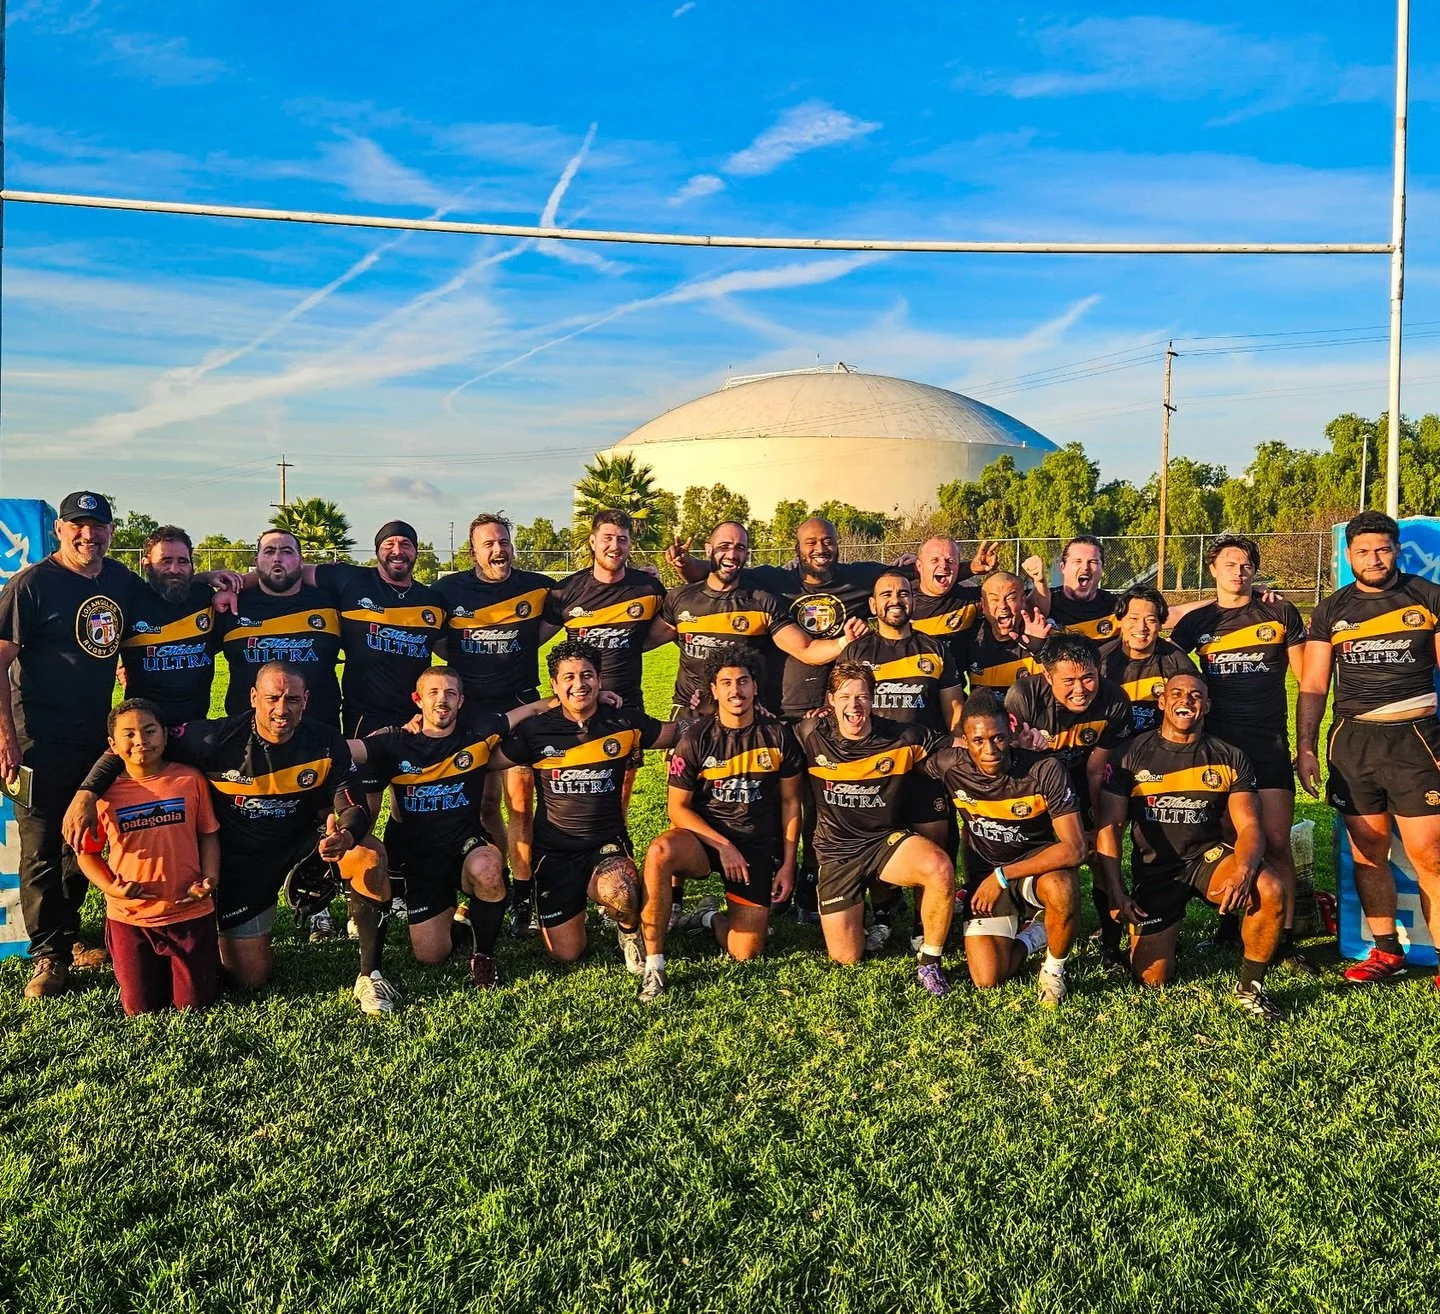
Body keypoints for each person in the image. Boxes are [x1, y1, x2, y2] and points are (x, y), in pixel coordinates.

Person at [65, 662, 394, 1013]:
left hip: (302, 848)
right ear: (253, 697)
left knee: (368, 854)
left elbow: (352, 801)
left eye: (292, 699)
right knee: (249, 978)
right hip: (241, 864)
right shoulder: (210, 738)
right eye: (272, 698)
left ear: (306, 700)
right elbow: (139, 742)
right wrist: (88, 791)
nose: (281, 709)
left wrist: (345, 833)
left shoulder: (325, 740)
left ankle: (370, 975)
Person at [0, 491, 148, 999]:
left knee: (81, 841)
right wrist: (5, 741)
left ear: (110, 531)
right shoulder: (33, 585)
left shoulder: (119, 582)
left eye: (98, 526)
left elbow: (167, 590)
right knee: (42, 848)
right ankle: (48, 957)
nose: (89, 535)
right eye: (78, 525)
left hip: (95, 738)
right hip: (36, 740)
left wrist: (217, 581)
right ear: (60, 530)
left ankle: (69, 939)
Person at [349, 668, 567, 991]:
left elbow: (533, 708)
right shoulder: (394, 741)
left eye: (450, 693)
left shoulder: (477, 733)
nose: (442, 700)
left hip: (465, 846)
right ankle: (464, 919)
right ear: (417, 699)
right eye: (434, 692)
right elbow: (341, 750)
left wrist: (588, 700)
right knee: (431, 955)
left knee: (490, 871)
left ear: (461, 701)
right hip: (422, 861)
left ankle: (484, 955)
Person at [1296, 510, 1440, 986]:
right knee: (1367, 851)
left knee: (1431, 854)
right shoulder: (1332, 609)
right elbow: (1314, 685)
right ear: (1348, 554)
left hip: (1416, 739)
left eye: (1381, 549)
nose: (1373, 558)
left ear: (1396, 550)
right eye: (1362, 551)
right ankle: (1385, 951)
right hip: (1353, 741)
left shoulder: (1427, 597)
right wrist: (1307, 746)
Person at [1095, 672, 1288, 1022]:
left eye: (1196, 696)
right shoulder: (1129, 755)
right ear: (1163, 702)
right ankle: (1155, 936)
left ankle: (1251, 988)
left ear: (1207, 706)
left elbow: (1250, 827)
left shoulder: (1229, 756)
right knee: (1152, 980)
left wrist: (1244, 872)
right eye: (1178, 694)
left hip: (1208, 859)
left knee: (1269, 887)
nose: (1187, 701)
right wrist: (1116, 892)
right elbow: (1109, 830)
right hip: (1157, 872)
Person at [1170, 534, 1312, 969]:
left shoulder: (1278, 610)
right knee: (1233, 840)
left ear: (1254, 569)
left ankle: (1283, 939)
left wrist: (1304, 743)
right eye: (1229, 563)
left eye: (1246, 563)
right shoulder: (1197, 623)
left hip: (1268, 744)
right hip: (1218, 749)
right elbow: (1174, 677)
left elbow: (1309, 682)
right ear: (1212, 570)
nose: (1238, 570)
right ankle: (1231, 926)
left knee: (1275, 842)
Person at [499, 639, 682, 969]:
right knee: (565, 953)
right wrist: (533, 707)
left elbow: (678, 734)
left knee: (622, 891)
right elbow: (481, 754)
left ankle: (628, 932)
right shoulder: (535, 731)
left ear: (599, 680)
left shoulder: (624, 723)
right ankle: (571, 904)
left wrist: (711, 710)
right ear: (554, 684)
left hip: (605, 845)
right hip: (553, 853)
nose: (579, 684)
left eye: (587, 675)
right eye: (568, 677)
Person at [639, 645, 805, 1001]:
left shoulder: (778, 736)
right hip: (706, 841)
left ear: (755, 687)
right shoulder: (696, 737)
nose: (735, 690)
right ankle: (654, 964)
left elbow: (792, 803)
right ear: (714, 690)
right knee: (659, 851)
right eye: (726, 682)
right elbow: (678, 809)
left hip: (754, 848)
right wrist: (723, 845)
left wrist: (788, 864)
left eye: (743, 681)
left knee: (745, 952)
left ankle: (708, 917)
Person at [793, 663, 958, 994]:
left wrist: (1009, 742)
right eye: (845, 697)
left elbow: (958, 748)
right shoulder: (810, 734)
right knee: (846, 957)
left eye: (862, 697)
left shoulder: (902, 736)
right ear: (831, 700)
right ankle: (867, 907)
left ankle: (929, 961)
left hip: (884, 842)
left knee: (939, 869)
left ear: (873, 699)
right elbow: (762, 734)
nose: (854, 706)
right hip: (837, 852)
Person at [434, 513, 559, 938]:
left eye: (503, 542)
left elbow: (568, 608)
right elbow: (435, 637)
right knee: (483, 806)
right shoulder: (448, 591)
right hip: (472, 713)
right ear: (473, 551)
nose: (497, 550)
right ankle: (492, 886)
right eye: (488, 544)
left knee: (521, 802)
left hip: (522, 704)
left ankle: (524, 896)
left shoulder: (537, 586)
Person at [921, 689, 1084, 1004]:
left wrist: (1002, 876)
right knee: (988, 978)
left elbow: (1075, 848)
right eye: (978, 741)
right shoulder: (949, 765)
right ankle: (1035, 934)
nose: (989, 749)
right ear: (964, 740)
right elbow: (909, 760)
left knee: (1063, 887)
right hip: (986, 878)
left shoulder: (1043, 769)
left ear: (1010, 731)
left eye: (997, 738)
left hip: (1033, 871)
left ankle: (1053, 972)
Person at [72, 699, 222, 1016]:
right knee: (139, 1008)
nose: (141, 741)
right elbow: (88, 854)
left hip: (188, 910)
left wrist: (209, 879)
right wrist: (111, 889)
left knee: (194, 1006)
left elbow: (208, 833)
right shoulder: (105, 795)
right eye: (129, 734)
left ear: (165, 736)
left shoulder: (189, 780)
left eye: (150, 731)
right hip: (130, 918)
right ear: (112, 745)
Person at [241, 519, 447, 736]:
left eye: (406, 544)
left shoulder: (433, 600)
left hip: (417, 714)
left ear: (416, 551)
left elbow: (447, 650)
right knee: (364, 768)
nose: (397, 551)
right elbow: (287, 570)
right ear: (377, 551)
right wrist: (235, 585)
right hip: (363, 716)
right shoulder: (350, 580)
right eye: (389, 544)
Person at [648, 520, 865, 719]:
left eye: (739, 548)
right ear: (708, 549)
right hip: (690, 713)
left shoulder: (762, 601)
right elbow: (641, 641)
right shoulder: (681, 598)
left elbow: (806, 649)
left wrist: (844, 642)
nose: (732, 554)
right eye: (724, 546)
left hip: (743, 717)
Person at [1006, 633, 1134, 969]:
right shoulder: (1023, 697)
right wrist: (1023, 749)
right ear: (1047, 677)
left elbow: (1096, 769)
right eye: (1069, 681)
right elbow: (1008, 767)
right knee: (1037, 854)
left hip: (1081, 778)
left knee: (1102, 853)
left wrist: (1094, 824)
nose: (1080, 689)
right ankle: (1021, 920)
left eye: (1088, 677)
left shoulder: (1115, 700)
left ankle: (1110, 943)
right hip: (1033, 783)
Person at [214, 530, 343, 729]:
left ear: (302, 561)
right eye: (269, 551)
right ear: (256, 561)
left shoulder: (331, 603)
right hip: (247, 737)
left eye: (287, 551)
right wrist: (206, 578)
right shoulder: (231, 606)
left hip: (318, 737)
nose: (277, 558)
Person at [119, 526, 222, 726]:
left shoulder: (206, 598)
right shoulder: (130, 599)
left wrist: (213, 579)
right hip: (143, 731)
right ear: (146, 564)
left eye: (182, 561)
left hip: (195, 729)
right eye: (165, 561)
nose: (174, 569)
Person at [1098, 587, 1197, 734]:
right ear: (1119, 621)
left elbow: (1194, 715)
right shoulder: (1100, 660)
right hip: (1109, 748)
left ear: (1160, 625)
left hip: (1159, 748)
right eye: (1133, 618)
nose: (1141, 627)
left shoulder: (1178, 664)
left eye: (1150, 620)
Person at [955, 571, 1051, 692]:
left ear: (1023, 601)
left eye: (1010, 598)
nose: (1002, 605)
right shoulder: (971, 637)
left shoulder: (1039, 635)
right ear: (983, 605)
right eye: (994, 599)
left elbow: (1061, 685)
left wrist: (1039, 652)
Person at [907, 535, 999, 661]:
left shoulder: (968, 600)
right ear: (919, 566)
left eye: (951, 561)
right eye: (934, 560)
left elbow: (1014, 597)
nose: (943, 566)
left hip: (956, 680)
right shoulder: (902, 599)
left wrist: (1036, 579)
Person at [1026, 535, 1118, 641]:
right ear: (1062, 567)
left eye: (1092, 562)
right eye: (1077, 561)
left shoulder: (1115, 606)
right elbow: (1028, 609)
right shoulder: (1047, 600)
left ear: (1102, 569)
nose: (1085, 567)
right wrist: (1039, 581)